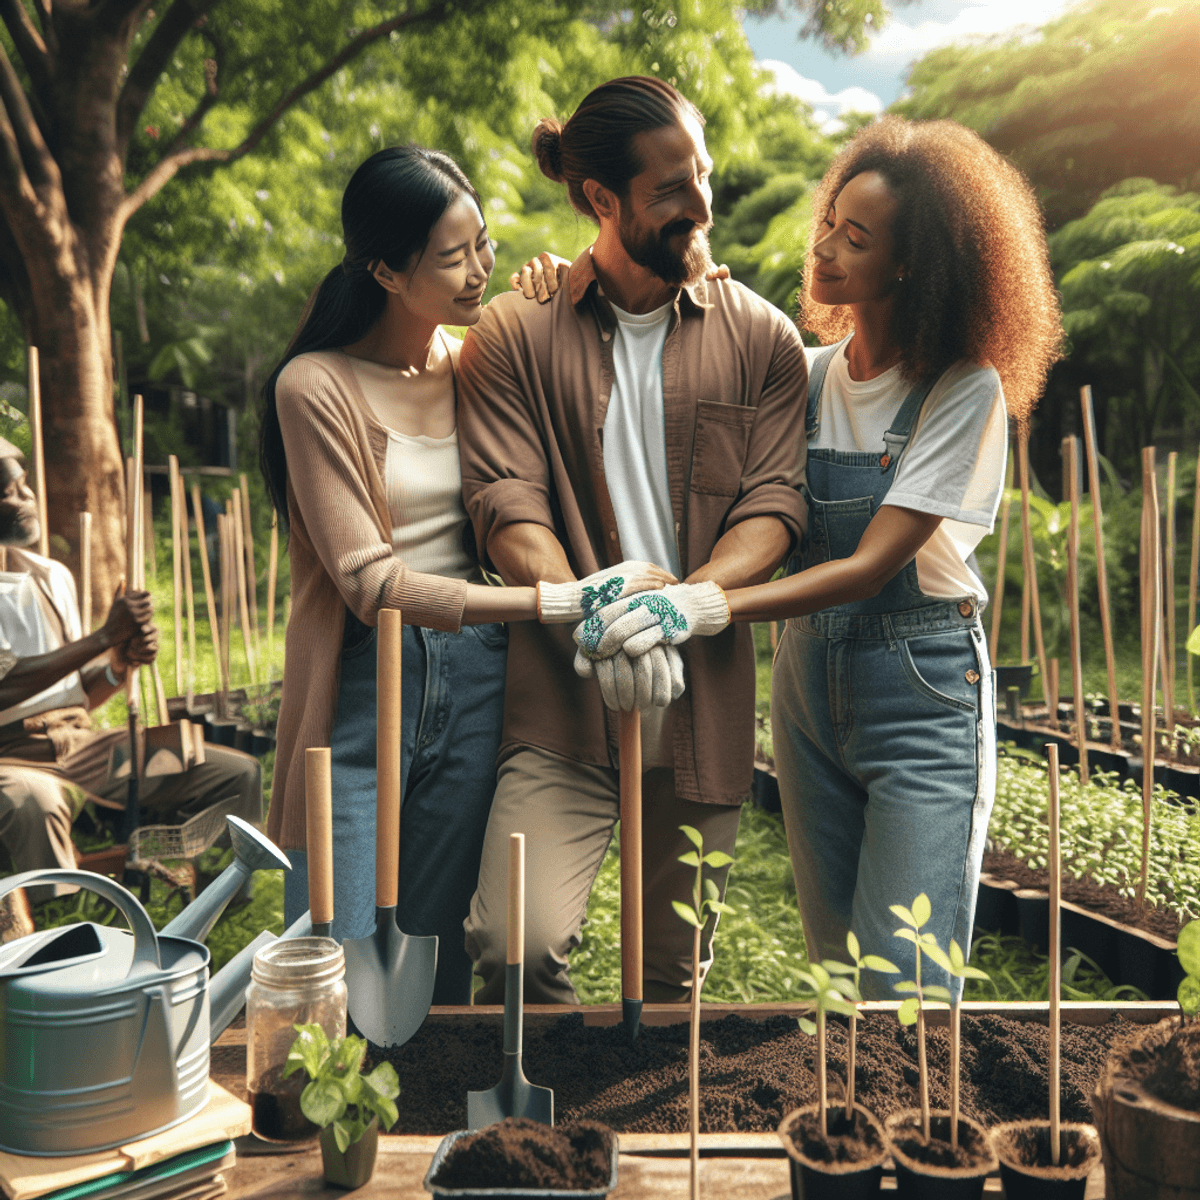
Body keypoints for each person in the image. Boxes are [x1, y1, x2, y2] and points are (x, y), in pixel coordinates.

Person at [576, 115, 1062, 998]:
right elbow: (667, 359)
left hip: (921, 687)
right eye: (830, 222)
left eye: (857, 236)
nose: (826, 249)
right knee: (839, 970)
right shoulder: (800, 374)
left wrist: (703, 605)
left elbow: (873, 564)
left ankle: (915, 1136)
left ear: (912, 264)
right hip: (807, 686)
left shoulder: (963, 391)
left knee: (902, 980)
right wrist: (571, 280)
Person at [260, 145, 676, 1004]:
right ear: (384, 270)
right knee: (339, 950)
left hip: (484, 670)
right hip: (364, 680)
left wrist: (565, 286)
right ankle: (338, 1125)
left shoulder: (482, 358)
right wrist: (551, 600)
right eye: (453, 257)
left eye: (483, 243)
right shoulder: (315, 386)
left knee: (439, 950)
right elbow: (369, 583)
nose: (480, 268)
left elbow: (599, 339)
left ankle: (429, 1128)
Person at [456, 77, 808, 1006]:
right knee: (513, 949)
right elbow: (505, 501)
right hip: (561, 705)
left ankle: (639, 1141)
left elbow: (773, 503)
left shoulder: (762, 337)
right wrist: (597, 608)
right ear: (600, 200)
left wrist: (681, 604)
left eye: (703, 174)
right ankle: (546, 1133)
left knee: (671, 981)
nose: (700, 205)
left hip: (702, 701)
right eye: (669, 190)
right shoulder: (514, 334)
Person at [0, 439, 262, 903]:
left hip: (83, 748)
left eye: (24, 485)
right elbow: (7, 687)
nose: (27, 498)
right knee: (32, 801)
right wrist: (100, 638)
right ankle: (60, 944)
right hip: (10, 757)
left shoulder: (49, 576)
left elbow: (73, 695)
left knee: (233, 774)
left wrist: (118, 666)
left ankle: (219, 903)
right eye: (8, 492)